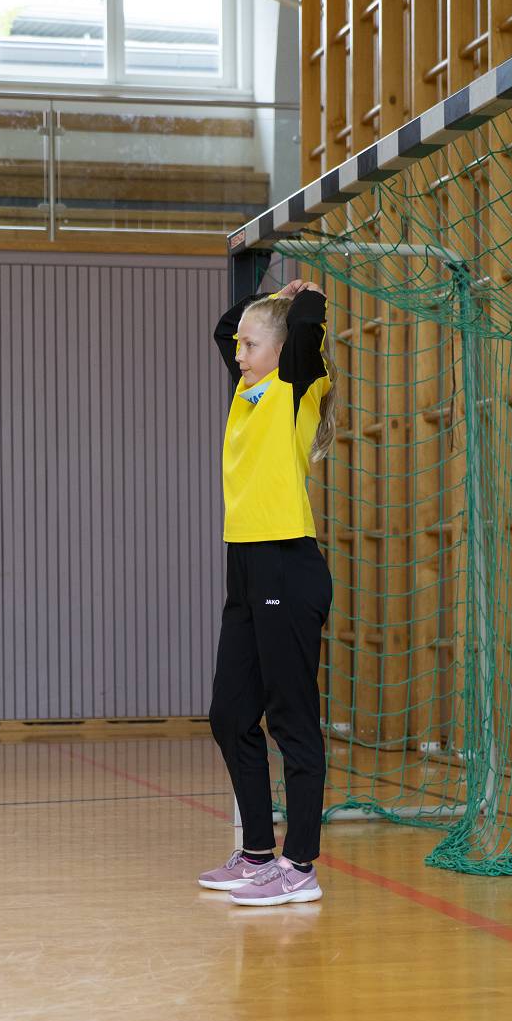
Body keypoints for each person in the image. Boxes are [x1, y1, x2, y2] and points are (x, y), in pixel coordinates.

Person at [198, 277, 336, 906]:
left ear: (281, 352)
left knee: (291, 718)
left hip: (287, 564)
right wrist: (269, 296)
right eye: (242, 347)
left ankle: (299, 865)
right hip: (247, 566)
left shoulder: (297, 388)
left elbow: (305, 326)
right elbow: (224, 327)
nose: (239, 353)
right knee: (230, 714)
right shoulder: (248, 393)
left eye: (252, 346)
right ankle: (257, 851)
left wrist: (305, 298)